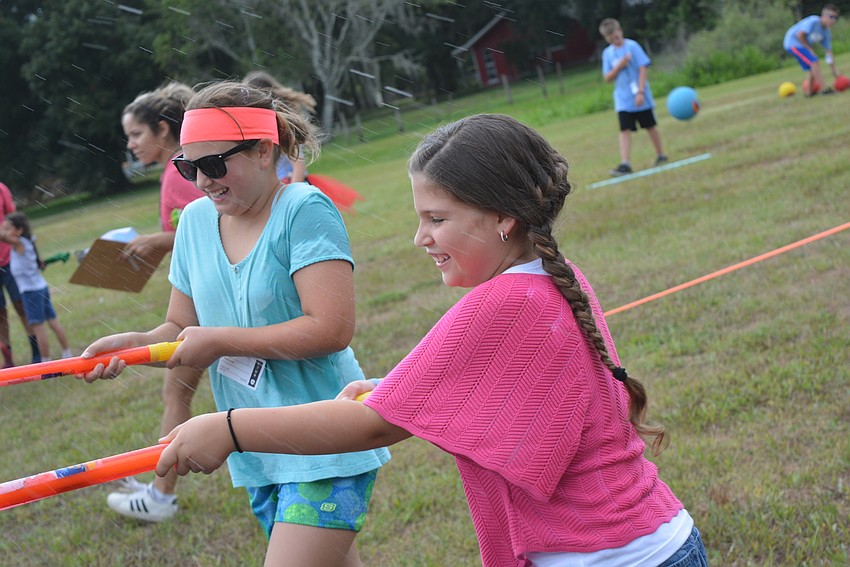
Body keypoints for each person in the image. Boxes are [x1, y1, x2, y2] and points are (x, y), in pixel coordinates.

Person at [136, 114, 707, 566]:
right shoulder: (548, 281)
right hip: (646, 542)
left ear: (503, 217)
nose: (420, 237)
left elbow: (374, 425)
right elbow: (525, 390)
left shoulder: (501, 302)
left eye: (436, 219)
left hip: (613, 555)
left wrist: (229, 429)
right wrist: (400, 386)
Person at [80, 81, 390, 566]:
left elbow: (331, 329)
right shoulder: (195, 223)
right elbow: (180, 326)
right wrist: (137, 345)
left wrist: (219, 341)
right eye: (188, 166)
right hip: (255, 447)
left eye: (215, 164)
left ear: (265, 150)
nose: (202, 181)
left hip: (326, 434)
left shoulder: (304, 211)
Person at [106, 82, 208, 522]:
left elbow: (215, 225)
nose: (130, 145)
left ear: (162, 129)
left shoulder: (180, 170)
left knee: (176, 396)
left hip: (207, 303)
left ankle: (160, 497)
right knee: (176, 395)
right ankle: (159, 488)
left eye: (136, 135)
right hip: (204, 297)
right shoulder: (178, 168)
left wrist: (158, 239)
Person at [244, 70, 364, 212]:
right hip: (274, 189)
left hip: (292, 185)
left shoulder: (283, 126)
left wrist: (291, 198)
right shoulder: (261, 128)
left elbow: (298, 165)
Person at [599, 18, 667, 177]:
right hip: (623, 99)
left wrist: (641, 92)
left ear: (620, 30)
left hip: (640, 96)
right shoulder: (607, 53)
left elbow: (643, 68)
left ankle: (661, 154)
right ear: (606, 38)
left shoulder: (632, 46)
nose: (614, 40)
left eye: (615, 36)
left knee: (649, 125)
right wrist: (619, 66)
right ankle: (625, 163)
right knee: (624, 129)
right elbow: (608, 78)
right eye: (610, 38)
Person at [0, 212, 72, 362]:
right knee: (52, 321)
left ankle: (45, 362)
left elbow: (2, 237)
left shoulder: (19, 244)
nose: (4, 231)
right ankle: (67, 353)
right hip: (41, 288)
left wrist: (3, 231)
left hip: (31, 293)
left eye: (7, 228)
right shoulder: (26, 242)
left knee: (38, 328)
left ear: (19, 231)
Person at [0, 182, 40, 367]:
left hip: (9, 260)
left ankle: (36, 351)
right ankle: (8, 358)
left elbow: (14, 222)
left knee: (22, 306)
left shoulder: (1, 189)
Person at [784, 4, 841, 96]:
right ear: (823, 16)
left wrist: (834, 70)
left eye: (835, 18)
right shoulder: (813, 21)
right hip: (792, 42)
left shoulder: (826, 31)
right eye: (831, 17)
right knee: (815, 62)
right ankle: (824, 90)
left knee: (812, 67)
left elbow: (828, 52)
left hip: (801, 44)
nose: (833, 20)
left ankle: (809, 93)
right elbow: (800, 35)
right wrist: (809, 49)